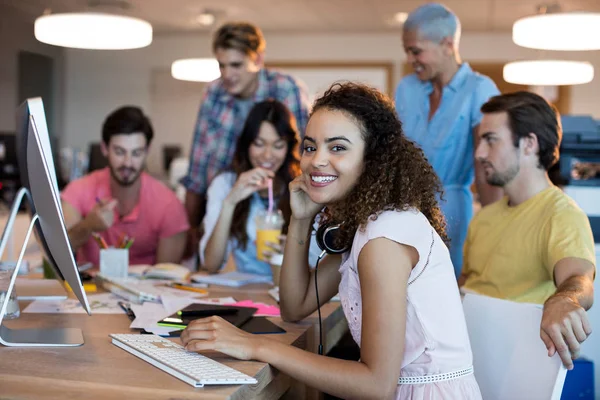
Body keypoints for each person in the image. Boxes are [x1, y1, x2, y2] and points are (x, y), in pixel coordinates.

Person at [181, 83, 482, 399]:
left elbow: (376, 385)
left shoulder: (385, 239)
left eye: (337, 148)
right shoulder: (366, 223)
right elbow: (295, 306)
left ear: (373, 158)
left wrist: (254, 344)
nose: (316, 161)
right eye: (310, 147)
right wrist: (300, 218)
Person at [460, 91, 596, 370]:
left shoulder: (561, 213)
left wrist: (565, 300)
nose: (479, 153)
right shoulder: (485, 218)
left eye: (490, 140)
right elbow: (466, 288)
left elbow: (578, 278)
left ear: (529, 144)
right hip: (469, 360)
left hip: (515, 367)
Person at [181, 21, 311, 261]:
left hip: (280, 201)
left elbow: (306, 156)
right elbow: (197, 172)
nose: (227, 75)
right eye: (222, 65)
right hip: (225, 203)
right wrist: (190, 229)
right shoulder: (213, 95)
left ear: (258, 59)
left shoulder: (286, 89)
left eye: (236, 65)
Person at [395, 3, 501, 275]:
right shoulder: (407, 88)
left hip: (451, 211)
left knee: (444, 287)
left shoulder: (480, 89)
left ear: (447, 44)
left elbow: (486, 164)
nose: (410, 59)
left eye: (416, 51)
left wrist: (496, 228)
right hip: (403, 206)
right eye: (407, 51)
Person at [200, 100, 320, 275]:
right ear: (246, 144)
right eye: (259, 143)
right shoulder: (225, 184)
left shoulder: (303, 187)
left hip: (289, 290)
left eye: (278, 145)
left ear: (288, 148)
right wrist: (230, 202)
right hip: (246, 290)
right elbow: (211, 264)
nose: (267, 155)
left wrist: (294, 249)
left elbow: (322, 267)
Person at [61, 106, 189, 267]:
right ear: (104, 148)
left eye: (136, 153)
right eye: (120, 152)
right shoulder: (78, 190)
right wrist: (88, 226)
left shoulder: (169, 205)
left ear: (147, 150)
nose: (128, 163)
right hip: (89, 290)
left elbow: (167, 278)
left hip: (144, 290)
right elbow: (57, 252)